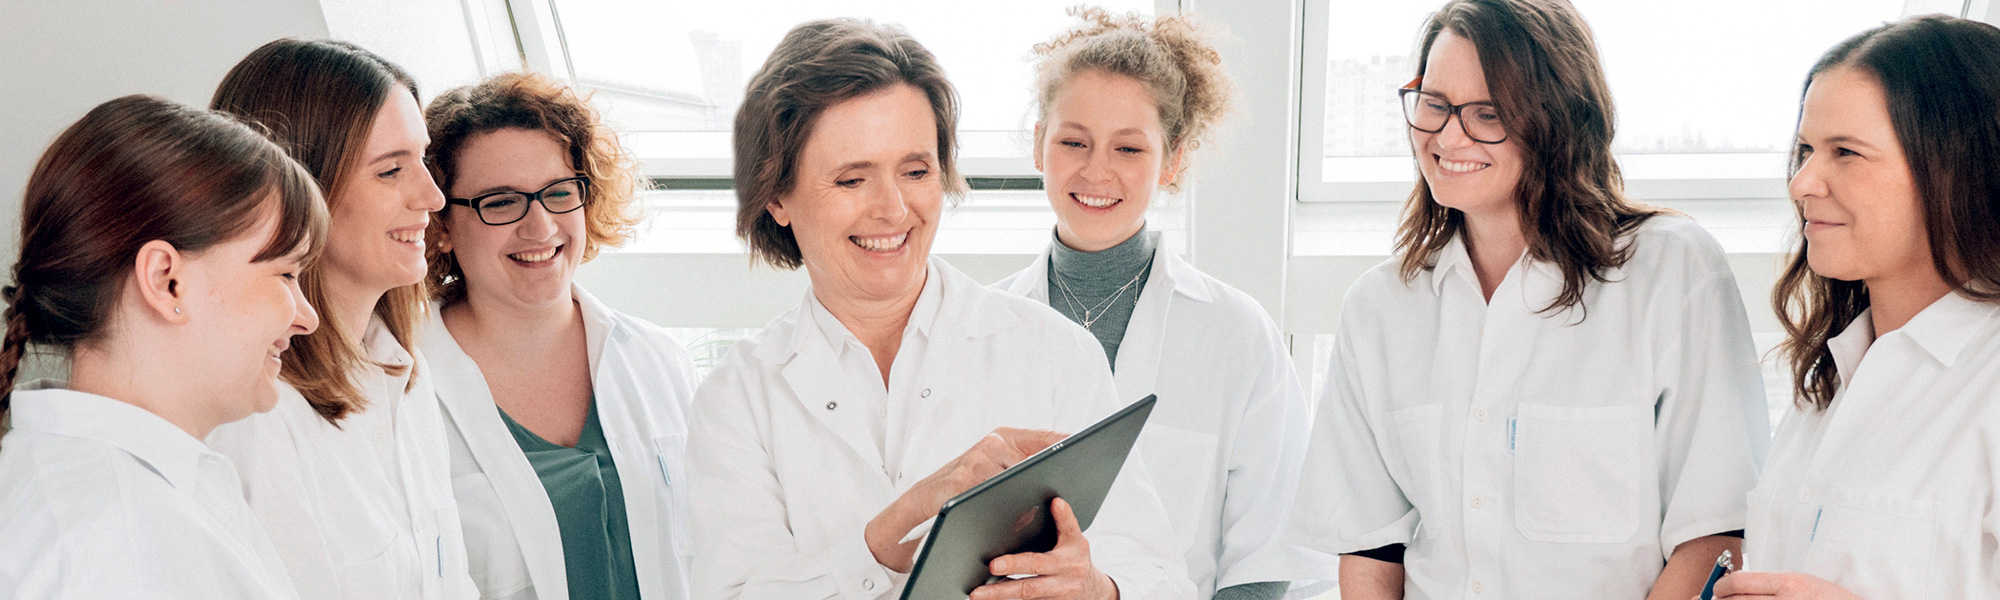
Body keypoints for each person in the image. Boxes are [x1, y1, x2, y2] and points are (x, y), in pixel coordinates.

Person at [686, 17, 1192, 600]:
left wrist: (1099, 589)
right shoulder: (737, 399)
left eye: (916, 171)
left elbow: (1163, 581)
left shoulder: (1053, 353)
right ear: (776, 194)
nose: (894, 208)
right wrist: (891, 532)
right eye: (853, 179)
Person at [1281, 1, 1770, 598]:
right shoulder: (1379, 307)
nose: (1447, 136)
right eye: (1433, 104)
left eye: (1487, 113)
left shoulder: (1672, 271)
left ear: (1557, 120)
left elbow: (1716, 537)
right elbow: (1370, 552)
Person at [992, 8, 1307, 599]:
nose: (1096, 170)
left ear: (1175, 159)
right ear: (1039, 146)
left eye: (1129, 149)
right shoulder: (979, 328)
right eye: (1073, 141)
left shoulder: (1237, 335)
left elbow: (1266, 559)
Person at [1711, 15, 2000, 600]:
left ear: (1958, 169)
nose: (1802, 183)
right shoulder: (1829, 378)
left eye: (1845, 152)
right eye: (1806, 151)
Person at [0, 95, 323, 598]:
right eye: (285, 273)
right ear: (166, 280)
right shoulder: (120, 540)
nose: (308, 318)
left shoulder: (121, 495)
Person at [205, 38, 478, 599]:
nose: (431, 196)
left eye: (423, 161)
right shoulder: (249, 418)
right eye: (389, 171)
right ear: (301, 189)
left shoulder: (407, 379)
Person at [420, 71, 699, 600]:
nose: (541, 227)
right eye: (501, 202)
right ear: (441, 225)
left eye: (558, 192)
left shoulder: (660, 362)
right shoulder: (401, 388)